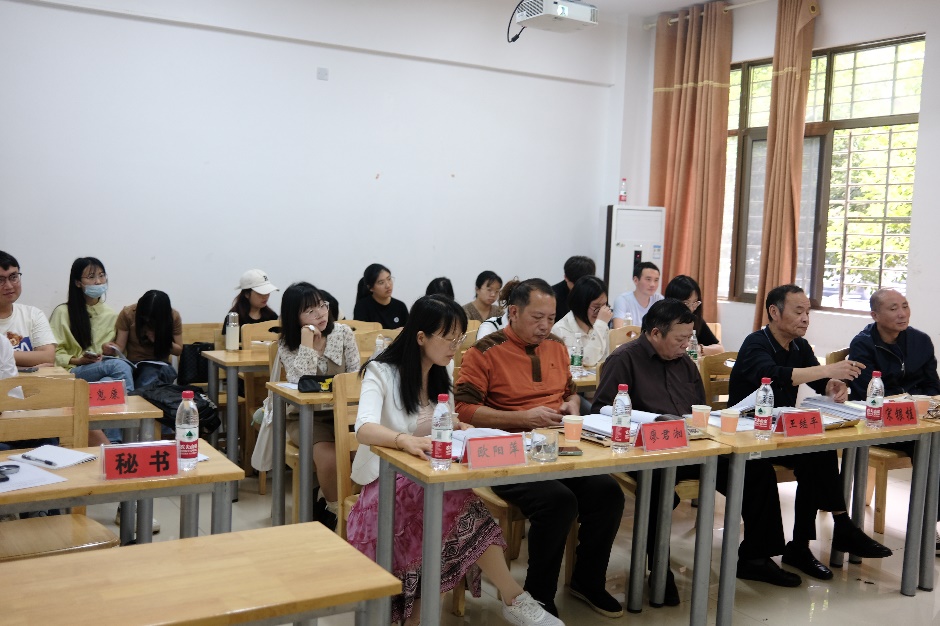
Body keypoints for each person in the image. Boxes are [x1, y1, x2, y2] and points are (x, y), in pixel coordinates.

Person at [348, 295, 562, 626]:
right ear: (421, 337)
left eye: (459, 339)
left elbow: (442, 421)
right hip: (386, 484)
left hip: (432, 478)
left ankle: (496, 601)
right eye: (450, 339)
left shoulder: (441, 369)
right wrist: (404, 440)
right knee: (456, 502)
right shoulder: (381, 370)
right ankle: (513, 598)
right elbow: (364, 428)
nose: (455, 348)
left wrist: (459, 427)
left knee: (450, 499)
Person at [592, 299, 799, 601]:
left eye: (689, 337)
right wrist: (652, 420)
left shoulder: (685, 363)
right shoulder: (624, 359)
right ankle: (658, 568)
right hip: (648, 451)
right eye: (679, 339)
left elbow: (699, 410)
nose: (686, 345)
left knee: (757, 472)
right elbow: (601, 410)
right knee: (660, 486)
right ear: (655, 333)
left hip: (694, 446)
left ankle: (756, 558)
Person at [455, 279, 624, 619]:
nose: (545, 326)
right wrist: (521, 417)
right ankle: (538, 595)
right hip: (506, 455)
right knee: (558, 501)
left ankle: (587, 581)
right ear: (514, 312)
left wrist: (572, 403)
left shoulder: (557, 347)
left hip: (555, 448)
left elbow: (569, 391)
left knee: (608, 493)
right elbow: (463, 410)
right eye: (537, 318)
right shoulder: (485, 351)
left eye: (551, 317)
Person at [729, 284, 892, 580]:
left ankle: (802, 546)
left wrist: (833, 387)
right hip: (748, 435)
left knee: (819, 451)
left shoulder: (799, 346)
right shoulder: (756, 343)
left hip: (782, 433)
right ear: (774, 312)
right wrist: (828, 371)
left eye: (808, 312)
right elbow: (775, 376)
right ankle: (839, 528)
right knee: (787, 464)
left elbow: (818, 382)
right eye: (798, 311)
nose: (805, 318)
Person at [848, 288, 940, 550]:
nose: (902, 314)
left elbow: (933, 386)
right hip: (879, 425)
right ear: (875, 315)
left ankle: (929, 520)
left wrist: (922, 405)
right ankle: (926, 525)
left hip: (918, 420)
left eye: (905, 306)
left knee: (934, 443)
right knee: (931, 448)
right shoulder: (863, 344)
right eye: (893, 308)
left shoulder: (921, 341)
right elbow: (864, 393)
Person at [278, 282, 360, 530]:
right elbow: (298, 381)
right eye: (310, 311)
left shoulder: (343, 333)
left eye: (322, 306)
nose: (321, 314)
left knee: (364, 455)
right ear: (294, 317)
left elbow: (355, 376)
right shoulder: (287, 343)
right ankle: (337, 515)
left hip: (344, 414)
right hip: (307, 417)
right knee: (330, 459)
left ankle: (354, 510)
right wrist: (308, 344)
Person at [49, 257, 134, 447]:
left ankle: (111, 444)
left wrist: (109, 351)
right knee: (119, 367)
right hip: (73, 373)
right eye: (91, 277)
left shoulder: (111, 315)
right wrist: (78, 360)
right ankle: (129, 419)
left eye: (102, 276)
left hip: (101, 371)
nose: (98, 281)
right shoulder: (63, 312)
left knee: (109, 382)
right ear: (78, 282)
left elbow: (117, 353)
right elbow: (52, 353)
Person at [108, 290, 182, 389]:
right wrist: (110, 348)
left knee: (148, 379)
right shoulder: (128, 314)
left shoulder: (173, 316)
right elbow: (120, 347)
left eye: (152, 319)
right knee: (115, 377)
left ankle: (138, 396)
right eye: (145, 317)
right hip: (133, 363)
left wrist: (159, 339)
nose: (147, 320)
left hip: (159, 364)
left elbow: (178, 350)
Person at [0, 251, 56, 367]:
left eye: (13, 277)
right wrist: (30, 364)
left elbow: (48, 357)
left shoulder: (33, 315)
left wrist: (3, 356)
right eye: (0, 280)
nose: (9, 286)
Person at [551, 275, 612, 368]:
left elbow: (606, 362)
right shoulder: (560, 330)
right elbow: (587, 361)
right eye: (596, 307)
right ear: (581, 304)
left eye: (604, 305)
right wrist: (600, 326)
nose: (601, 311)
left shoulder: (601, 325)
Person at [663, 275, 724, 356]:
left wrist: (699, 349)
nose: (691, 309)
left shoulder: (695, 320)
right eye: (686, 303)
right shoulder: (660, 321)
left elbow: (720, 349)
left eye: (695, 302)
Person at [223, 269, 279, 335]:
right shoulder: (234, 318)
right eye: (261, 293)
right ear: (247, 294)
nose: (266, 296)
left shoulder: (271, 316)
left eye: (268, 292)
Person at [353, 263, 408, 328]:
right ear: (370, 288)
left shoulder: (400, 306)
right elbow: (362, 333)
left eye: (389, 279)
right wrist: (393, 332)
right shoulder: (362, 307)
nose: (388, 285)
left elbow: (410, 331)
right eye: (381, 282)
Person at [612, 261, 663, 329]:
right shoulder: (622, 300)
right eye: (648, 279)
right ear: (636, 280)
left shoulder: (659, 300)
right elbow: (618, 330)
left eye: (656, 280)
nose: (652, 284)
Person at [552, 256, 595, 321]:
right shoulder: (553, 296)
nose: (580, 289)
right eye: (575, 285)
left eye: (584, 285)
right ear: (566, 278)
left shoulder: (596, 294)